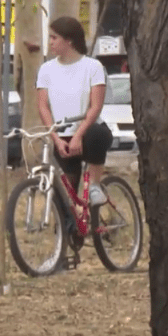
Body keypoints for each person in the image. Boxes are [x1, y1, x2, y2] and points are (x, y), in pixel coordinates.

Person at [36, 16, 113, 209]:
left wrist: (78, 135)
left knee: (96, 134)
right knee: (65, 202)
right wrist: (55, 138)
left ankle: (95, 185)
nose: (50, 42)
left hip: (88, 132)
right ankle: (70, 225)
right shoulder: (46, 70)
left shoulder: (93, 67)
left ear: (69, 41)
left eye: (54, 38)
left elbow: (96, 106)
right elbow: (43, 106)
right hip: (63, 138)